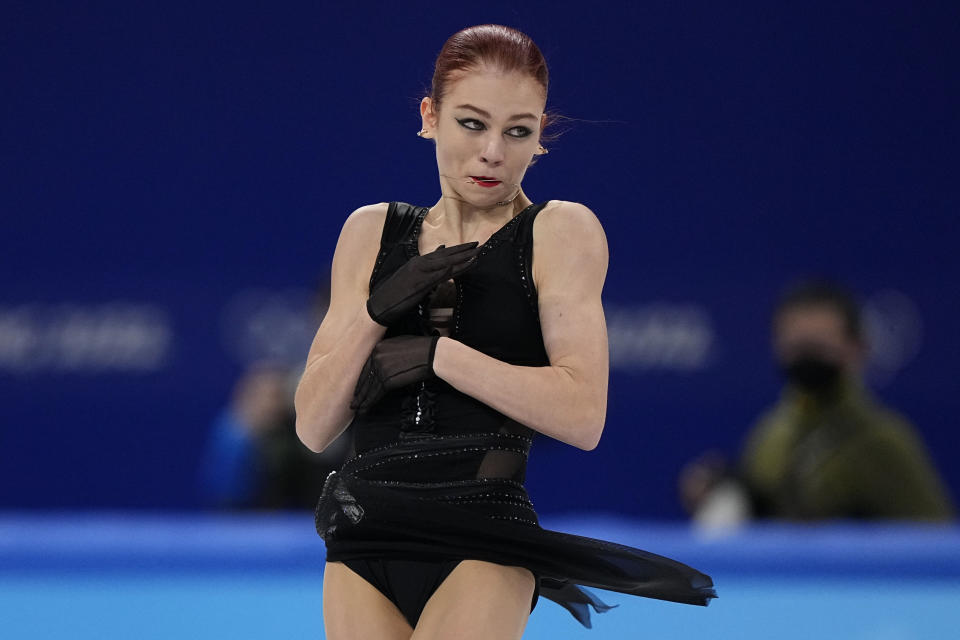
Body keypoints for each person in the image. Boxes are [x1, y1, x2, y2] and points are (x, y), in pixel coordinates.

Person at [295, 24, 715, 639]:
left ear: (540, 138)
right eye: (472, 123)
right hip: (366, 530)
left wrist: (441, 355)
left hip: (482, 533)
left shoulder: (560, 232)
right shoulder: (369, 231)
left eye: (518, 130)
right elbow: (312, 426)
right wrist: (375, 314)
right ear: (429, 116)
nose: (493, 151)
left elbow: (582, 415)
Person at [680, 280, 954, 528]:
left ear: (856, 348)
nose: (807, 360)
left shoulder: (883, 441)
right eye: (797, 347)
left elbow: (935, 546)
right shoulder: (770, 434)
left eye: (820, 347)